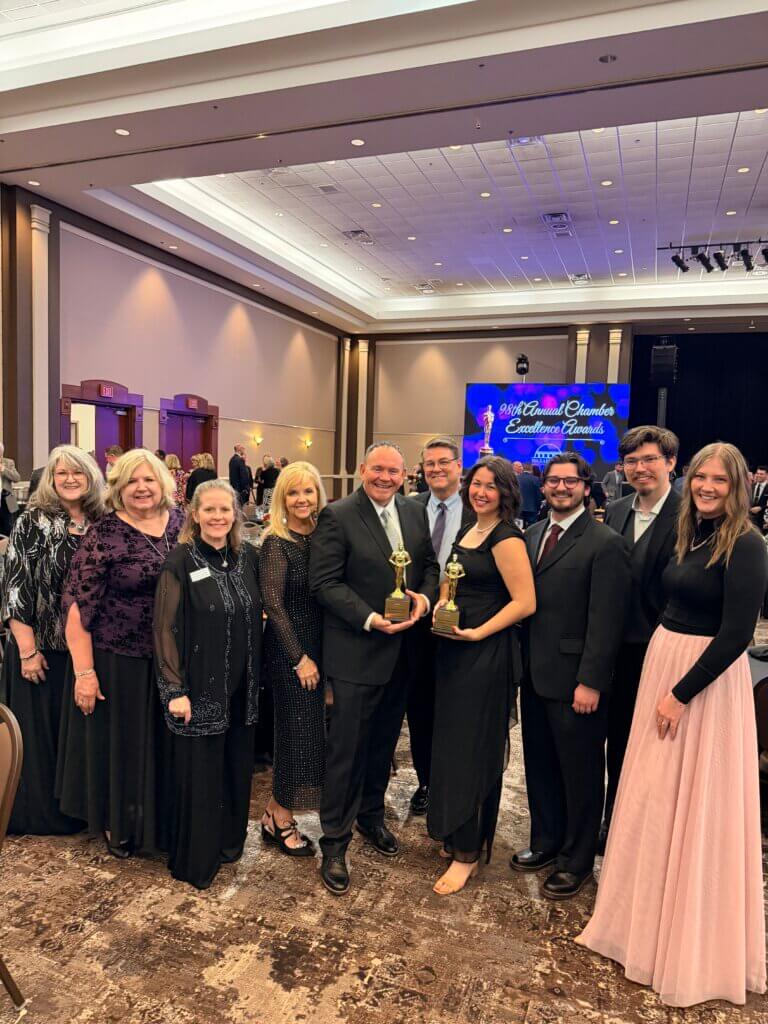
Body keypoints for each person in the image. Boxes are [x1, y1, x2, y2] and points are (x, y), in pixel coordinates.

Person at [577, 442, 767, 1007]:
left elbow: (739, 635)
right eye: (702, 477)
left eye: (721, 480)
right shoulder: (693, 531)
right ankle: (644, 923)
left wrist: (679, 696)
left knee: (695, 803)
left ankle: (688, 939)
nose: (708, 487)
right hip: (667, 661)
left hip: (703, 684)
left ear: (738, 486)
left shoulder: (750, 544)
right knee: (655, 797)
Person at [309, 441, 439, 895]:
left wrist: (423, 596)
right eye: (378, 469)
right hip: (358, 651)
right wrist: (370, 618)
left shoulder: (415, 511)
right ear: (363, 468)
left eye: (395, 472)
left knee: (383, 744)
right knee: (347, 749)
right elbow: (324, 582)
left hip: (404, 654)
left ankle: (371, 817)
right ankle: (335, 841)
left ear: (407, 475)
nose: (386, 478)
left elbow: (429, 567)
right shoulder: (338, 515)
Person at [512, 453, 630, 899]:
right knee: (539, 765)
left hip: (577, 681)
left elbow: (607, 621)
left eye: (569, 481)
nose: (560, 488)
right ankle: (545, 841)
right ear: (542, 487)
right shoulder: (533, 534)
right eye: (552, 481)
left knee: (580, 773)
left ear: (586, 487)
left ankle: (577, 860)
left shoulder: (605, 542)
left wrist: (592, 681)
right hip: (535, 674)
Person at [58, 449, 184, 857]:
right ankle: (121, 822)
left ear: (163, 483)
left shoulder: (183, 524)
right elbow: (77, 605)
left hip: (177, 658)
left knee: (168, 742)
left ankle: (162, 820)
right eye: (131, 481)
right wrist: (84, 673)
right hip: (120, 657)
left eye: (148, 479)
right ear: (118, 488)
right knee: (126, 745)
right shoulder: (104, 534)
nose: (141, 488)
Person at [428, 456, 535, 895]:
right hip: (453, 651)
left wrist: (478, 633)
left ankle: (468, 853)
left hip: (485, 654)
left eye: (492, 486)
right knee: (452, 747)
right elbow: (452, 581)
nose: (481, 492)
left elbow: (525, 602)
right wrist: (439, 604)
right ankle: (456, 831)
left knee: (473, 751)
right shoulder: (469, 529)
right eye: (477, 484)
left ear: (506, 493)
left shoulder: (507, 537)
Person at [154, 479, 262, 889]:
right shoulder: (179, 560)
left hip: (243, 691)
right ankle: (197, 858)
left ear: (236, 514)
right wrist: (174, 691)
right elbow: (164, 629)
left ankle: (229, 844)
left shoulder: (246, 557)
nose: (218, 517)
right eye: (210, 510)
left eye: (225, 510)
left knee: (235, 770)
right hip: (199, 690)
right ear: (194, 515)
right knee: (200, 775)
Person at [0, 446, 104, 835]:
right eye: (62, 474)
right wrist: (27, 651)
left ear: (91, 476)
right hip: (39, 649)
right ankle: (38, 816)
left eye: (77, 472)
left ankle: (76, 810)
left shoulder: (100, 520)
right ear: (51, 479)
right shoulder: (33, 520)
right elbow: (15, 590)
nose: (70, 479)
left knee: (73, 737)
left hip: (82, 653)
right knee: (40, 740)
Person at [599, 426, 680, 851]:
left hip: (661, 653)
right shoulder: (617, 509)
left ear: (670, 463)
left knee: (652, 749)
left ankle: (643, 836)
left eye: (649, 459)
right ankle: (612, 822)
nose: (640, 468)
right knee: (615, 740)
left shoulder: (690, 515)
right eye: (632, 461)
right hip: (614, 651)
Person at [258, 462, 327, 855]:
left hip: (320, 645)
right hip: (291, 650)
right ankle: (281, 817)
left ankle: (272, 811)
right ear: (282, 498)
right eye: (293, 492)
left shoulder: (322, 536)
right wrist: (299, 658)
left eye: (308, 491)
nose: (302, 499)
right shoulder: (276, 542)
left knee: (311, 734)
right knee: (296, 734)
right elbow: (274, 605)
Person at [406, 436, 474, 816]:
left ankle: (456, 783)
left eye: (443, 463)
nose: (436, 469)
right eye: (429, 464)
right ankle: (427, 781)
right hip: (417, 625)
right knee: (420, 707)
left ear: (458, 466)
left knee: (457, 708)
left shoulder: (479, 509)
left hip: (464, 628)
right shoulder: (409, 507)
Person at [0, 441, 20, 536]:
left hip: (8, 499)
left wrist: (4, 470)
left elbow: (17, 478)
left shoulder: (9, 462)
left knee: (10, 527)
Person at [517, 463, 542, 528]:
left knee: (519, 528)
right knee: (532, 529)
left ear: (523, 468)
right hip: (532, 509)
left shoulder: (516, 478)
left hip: (519, 508)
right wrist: (539, 507)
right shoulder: (535, 479)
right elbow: (538, 495)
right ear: (531, 469)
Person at [748, 464, 768, 529]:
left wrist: (761, 508)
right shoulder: (751, 486)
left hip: (763, 521)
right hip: (749, 519)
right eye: (758, 473)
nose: (759, 475)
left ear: (766, 475)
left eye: (761, 474)